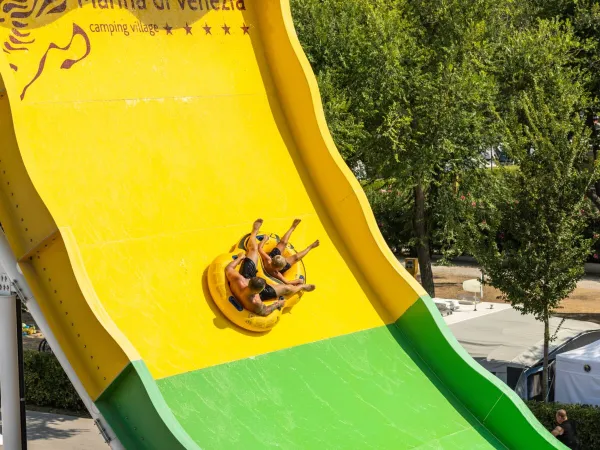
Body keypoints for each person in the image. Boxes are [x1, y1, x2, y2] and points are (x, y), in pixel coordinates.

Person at [225, 219, 316, 317]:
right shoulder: (256, 302)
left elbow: (228, 268)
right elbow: (265, 312)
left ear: (251, 280)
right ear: (260, 290)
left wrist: (239, 258)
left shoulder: (239, 279)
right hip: (251, 293)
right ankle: (301, 287)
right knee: (286, 289)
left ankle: (254, 231)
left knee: (253, 249)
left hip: (245, 279)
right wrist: (277, 304)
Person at [258, 218, 319, 284]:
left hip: (273, 262)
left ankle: (293, 227)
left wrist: (264, 239)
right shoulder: (276, 273)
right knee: (295, 257)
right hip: (275, 265)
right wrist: (299, 281)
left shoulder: (268, 259)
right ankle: (310, 247)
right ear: (280, 268)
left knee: (283, 243)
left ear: (273, 259)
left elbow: (259, 249)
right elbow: (287, 282)